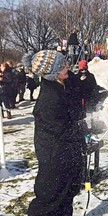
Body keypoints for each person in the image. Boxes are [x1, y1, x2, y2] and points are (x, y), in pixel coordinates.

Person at [22, 50, 85, 216]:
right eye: (62, 65)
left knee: (65, 200)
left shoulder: (63, 84)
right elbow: (64, 131)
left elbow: (83, 90)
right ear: (52, 73)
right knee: (49, 202)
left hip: (66, 156)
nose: (67, 67)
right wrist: (90, 126)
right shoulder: (49, 99)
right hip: (54, 161)